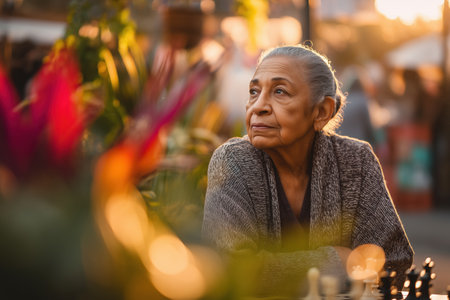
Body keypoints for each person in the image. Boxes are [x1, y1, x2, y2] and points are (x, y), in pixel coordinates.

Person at [202, 45, 413, 297]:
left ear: (321, 111)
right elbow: (230, 269)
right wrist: (338, 260)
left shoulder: (356, 161)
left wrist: (274, 269)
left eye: (280, 91)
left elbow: (394, 260)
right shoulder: (233, 161)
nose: (258, 106)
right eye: (254, 91)